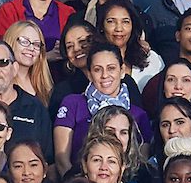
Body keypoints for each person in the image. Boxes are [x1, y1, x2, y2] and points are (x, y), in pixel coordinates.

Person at [54, 41, 150, 173]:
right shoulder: (72, 104)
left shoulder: (139, 115)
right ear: (89, 74)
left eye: (111, 68)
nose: (105, 75)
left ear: (122, 71)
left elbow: (140, 164)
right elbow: (61, 160)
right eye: (98, 69)